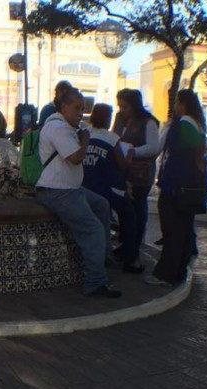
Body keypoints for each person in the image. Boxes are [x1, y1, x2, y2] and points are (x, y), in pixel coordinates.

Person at [35, 88, 121, 298]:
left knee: (101, 205)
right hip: (59, 192)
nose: (80, 113)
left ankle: (103, 256)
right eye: (76, 108)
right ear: (64, 107)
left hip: (70, 188)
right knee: (93, 231)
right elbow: (75, 157)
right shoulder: (59, 129)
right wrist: (85, 139)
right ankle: (95, 282)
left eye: (83, 109)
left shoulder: (66, 126)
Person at [145, 89, 207, 287]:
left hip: (176, 186)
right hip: (185, 186)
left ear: (182, 103)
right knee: (183, 230)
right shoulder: (196, 125)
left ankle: (166, 274)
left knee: (173, 231)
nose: (174, 107)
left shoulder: (182, 125)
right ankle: (178, 271)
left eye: (176, 102)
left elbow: (195, 149)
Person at [83, 103, 143, 274]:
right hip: (109, 188)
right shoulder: (112, 138)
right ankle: (130, 259)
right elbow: (123, 166)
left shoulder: (85, 135)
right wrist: (130, 155)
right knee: (129, 216)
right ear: (107, 118)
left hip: (87, 187)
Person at [112, 89, 160, 249]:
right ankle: (125, 243)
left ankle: (134, 246)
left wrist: (133, 151)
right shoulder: (120, 118)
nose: (122, 110)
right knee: (124, 210)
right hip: (122, 172)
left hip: (140, 175)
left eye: (125, 106)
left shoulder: (148, 122)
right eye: (120, 106)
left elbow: (154, 147)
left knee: (138, 210)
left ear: (134, 105)